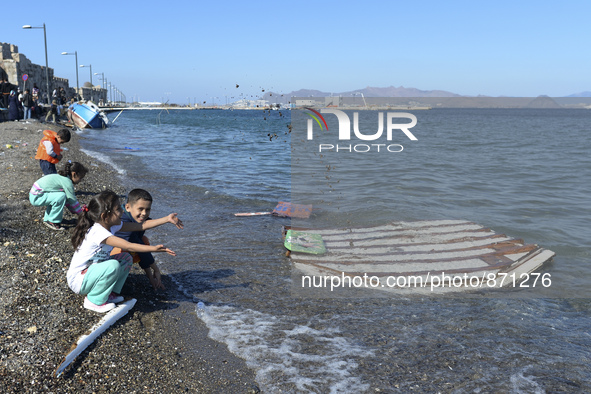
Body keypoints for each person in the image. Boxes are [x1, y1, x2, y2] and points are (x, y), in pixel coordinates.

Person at [68, 190, 177, 313]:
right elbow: (129, 246)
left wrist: (167, 219)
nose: (122, 211)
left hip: (92, 274)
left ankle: (109, 293)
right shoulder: (98, 232)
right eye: (118, 209)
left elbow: (142, 226)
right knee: (113, 265)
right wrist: (155, 249)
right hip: (78, 281)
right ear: (105, 216)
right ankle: (93, 300)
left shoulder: (112, 226)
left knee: (126, 258)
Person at [112, 189, 184, 290]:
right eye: (140, 209)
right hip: (106, 257)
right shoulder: (121, 221)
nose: (144, 213)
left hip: (129, 247)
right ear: (128, 207)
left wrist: (151, 276)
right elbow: (137, 246)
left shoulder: (136, 218)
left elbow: (141, 242)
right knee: (127, 250)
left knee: (144, 240)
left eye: (148, 209)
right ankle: (113, 285)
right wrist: (155, 269)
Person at [29, 161, 87, 231]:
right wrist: (81, 214)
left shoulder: (62, 177)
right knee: (60, 196)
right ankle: (52, 221)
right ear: (74, 174)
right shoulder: (67, 182)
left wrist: (75, 210)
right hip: (36, 196)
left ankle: (48, 218)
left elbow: (68, 200)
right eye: (80, 178)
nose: (80, 181)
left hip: (36, 194)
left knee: (59, 196)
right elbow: (72, 200)